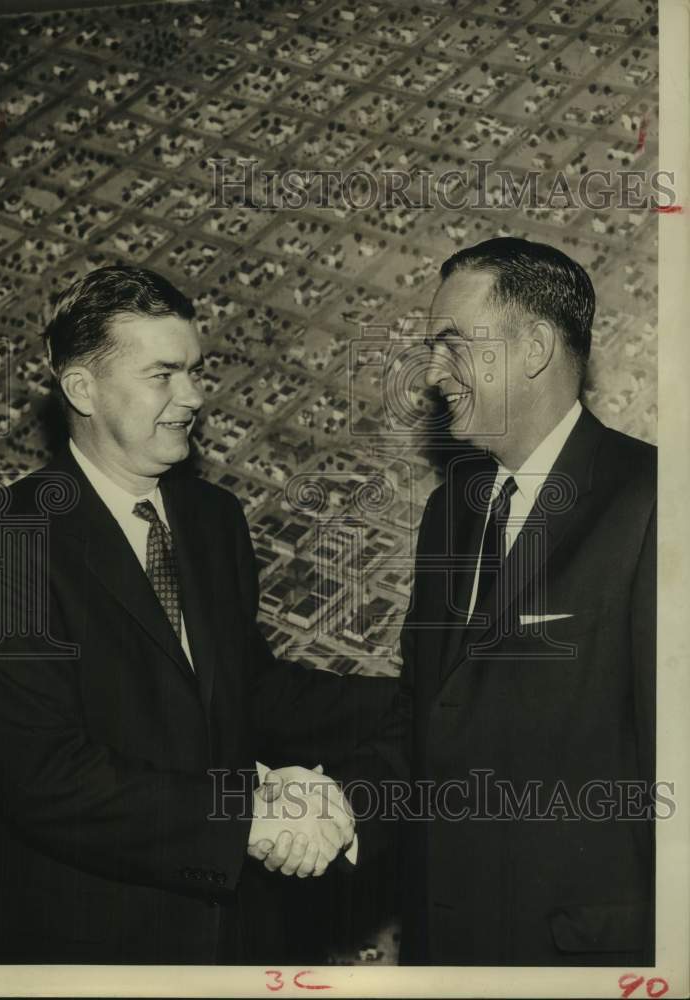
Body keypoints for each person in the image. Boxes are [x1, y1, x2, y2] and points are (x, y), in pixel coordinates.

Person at [0, 265, 392, 964]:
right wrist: (242, 816)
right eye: (164, 375)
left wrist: (428, 701)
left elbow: (250, 690)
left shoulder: (213, 518)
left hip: (231, 938)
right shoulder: (5, 539)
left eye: (193, 371)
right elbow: (44, 776)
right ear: (83, 389)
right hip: (87, 948)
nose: (192, 396)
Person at [271, 237, 656, 965]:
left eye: (451, 344)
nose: (433, 372)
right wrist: (340, 806)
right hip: (448, 952)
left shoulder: (655, 502)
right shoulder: (453, 510)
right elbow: (425, 722)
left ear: (536, 345)